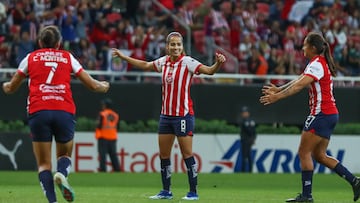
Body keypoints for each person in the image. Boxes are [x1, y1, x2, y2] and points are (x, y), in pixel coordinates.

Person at [112, 31, 226, 201]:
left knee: (187, 154)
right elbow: (145, 65)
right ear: (167, 46)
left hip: (183, 116)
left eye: (178, 45)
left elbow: (209, 71)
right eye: (172, 44)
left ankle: (193, 192)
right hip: (166, 116)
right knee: (164, 155)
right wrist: (124, 57)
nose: (175, 47)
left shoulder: (187, 62)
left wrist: (217, 64)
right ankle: (166, 191)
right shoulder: (163, 62)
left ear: (182, 47)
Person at [2, 25, 110, 203]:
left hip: (39, 111)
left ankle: (53, 201)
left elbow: (12, 87)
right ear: (59, 43)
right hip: (63, 110)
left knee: (44, 164)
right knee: (64, 155)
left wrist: (5, 86)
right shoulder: (68, 57)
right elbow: (92, 85)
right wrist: (104, 86)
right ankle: (61, 173)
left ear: (39, 42)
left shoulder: (30, 58)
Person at [259, 32, 360, 202]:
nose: (303, 48)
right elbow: (300, 80)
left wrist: (278, 96)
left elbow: (299, 85)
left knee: (303, 152)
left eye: (305, 45)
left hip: (321, 113)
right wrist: (279, 88)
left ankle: (307, 196)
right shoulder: (318, 63)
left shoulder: (317, 64)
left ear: (313, 47)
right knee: (319, 155)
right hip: (330, 114)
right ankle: (355, 181)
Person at [95, 98, 120, 172]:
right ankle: (117, 169)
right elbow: (118, 127)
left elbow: (99, 125)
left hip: (103, 137)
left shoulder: (102, 114)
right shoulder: (115, 115)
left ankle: (103, 170)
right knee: (113, 155)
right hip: (113, 137)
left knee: (103, 155)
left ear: (105, 105)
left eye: (103, 104)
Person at [239, 106, 256, 173]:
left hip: (247, 140)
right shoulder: (245, 121)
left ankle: (249, 170)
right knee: (245, 156)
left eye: (245, 112)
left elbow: (253, 131)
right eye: (243, 112)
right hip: (245, 140)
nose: (244, 114)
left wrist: (253, 139)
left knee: (247, 156)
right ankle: (244, 170)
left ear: (248, 113)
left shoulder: (248, 121)